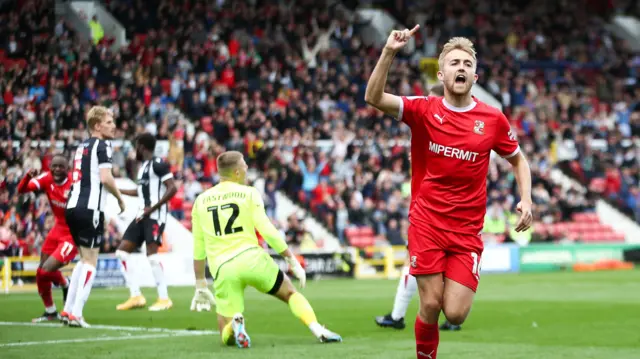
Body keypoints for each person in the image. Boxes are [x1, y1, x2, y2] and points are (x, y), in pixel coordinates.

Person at [365, 29, 533, 359]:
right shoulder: (423, 109)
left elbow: (518, 160)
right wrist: (388, 52)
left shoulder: (492, 119)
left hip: (467, 231)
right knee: (429, 302)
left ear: (475, 75)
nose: (461, 67)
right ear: (441, 74)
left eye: (467, 63)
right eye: (454, 62)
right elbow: (373, 97)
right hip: (427, 222)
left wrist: (526, 198)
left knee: (455, 313)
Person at [189, 151, 342, 348]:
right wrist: (290, 259)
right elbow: (267, 230)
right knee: (290, 293)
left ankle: (235, 326)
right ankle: (318, 329)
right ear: (236, 172)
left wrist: (200, 282)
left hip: (224, 269)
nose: (246, 169)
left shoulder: (200, 201)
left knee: (224, 334)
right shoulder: (249, 193)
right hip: (252, 259)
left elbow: (198, 246)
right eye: (244, 165)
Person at [375, 84, 460, 331]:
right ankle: (405, 315)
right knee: (426, 267)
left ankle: (399, 316)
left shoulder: (447, 141)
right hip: (425, 212)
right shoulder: (424, 137)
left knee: (419, 265)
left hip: (437, 215)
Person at [62, 106, 126, 328]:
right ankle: (77, 314)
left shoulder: (82, 147)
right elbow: (106, 178)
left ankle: (67, 310)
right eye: (109, 122)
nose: (113, 126)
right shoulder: (103, 145)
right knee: (91, 262)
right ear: (97, 126)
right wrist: (119, 198)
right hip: (89, 208)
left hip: (72, 207)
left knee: (82, 260)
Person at [115, 133, 177, 311]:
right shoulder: (143, 167)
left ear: (142, 147)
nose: (135, 150)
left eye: (136, 146)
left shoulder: (158, 164)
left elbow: (172, 188)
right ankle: (135, 296)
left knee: (152, 256)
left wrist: (154, 207)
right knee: (121, 252)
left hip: (155, 216)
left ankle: (164, 298)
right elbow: (141, 192)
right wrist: (118, 191)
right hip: (141, 215)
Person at [17, 155, 75, 323]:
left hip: (72, 233)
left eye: (61, 166)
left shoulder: (75, 182)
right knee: (40, 274)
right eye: (54, 166)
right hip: (57, 229)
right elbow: (22, 190)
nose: (57, 169)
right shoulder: (46, 178)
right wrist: (28, 175)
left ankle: (65, 283)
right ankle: (51, 310)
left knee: (46, 271)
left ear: (67, 169)